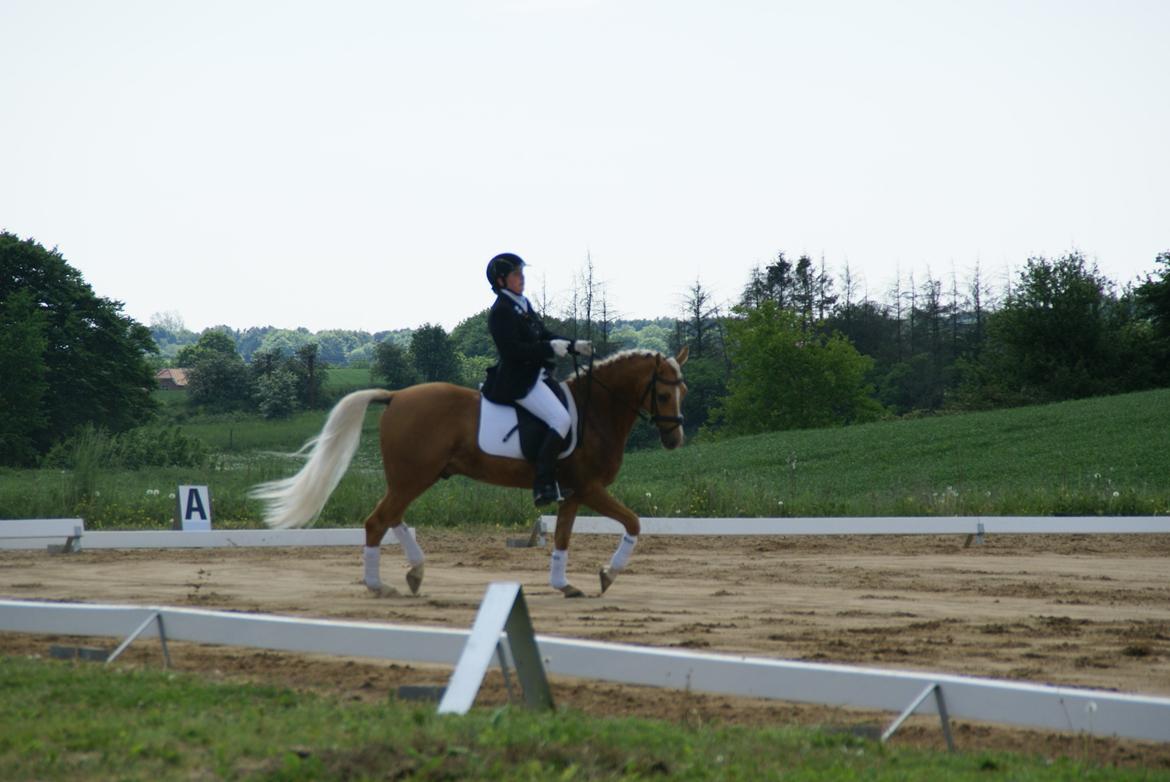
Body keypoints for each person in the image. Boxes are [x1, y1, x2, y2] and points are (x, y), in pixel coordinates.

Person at [483, 252, 592, 506]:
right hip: (518, 380)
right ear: (501, 281)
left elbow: (543, 333)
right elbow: (513, 351)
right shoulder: (501, 312)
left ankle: (561, 476)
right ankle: (543, 484)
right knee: (561, 419)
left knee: (572, 413)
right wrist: (549, 348)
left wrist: (573, 345)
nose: (521, 278)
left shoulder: (522, 304)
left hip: (537, 375)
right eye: (515, 274)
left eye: (522, 273)